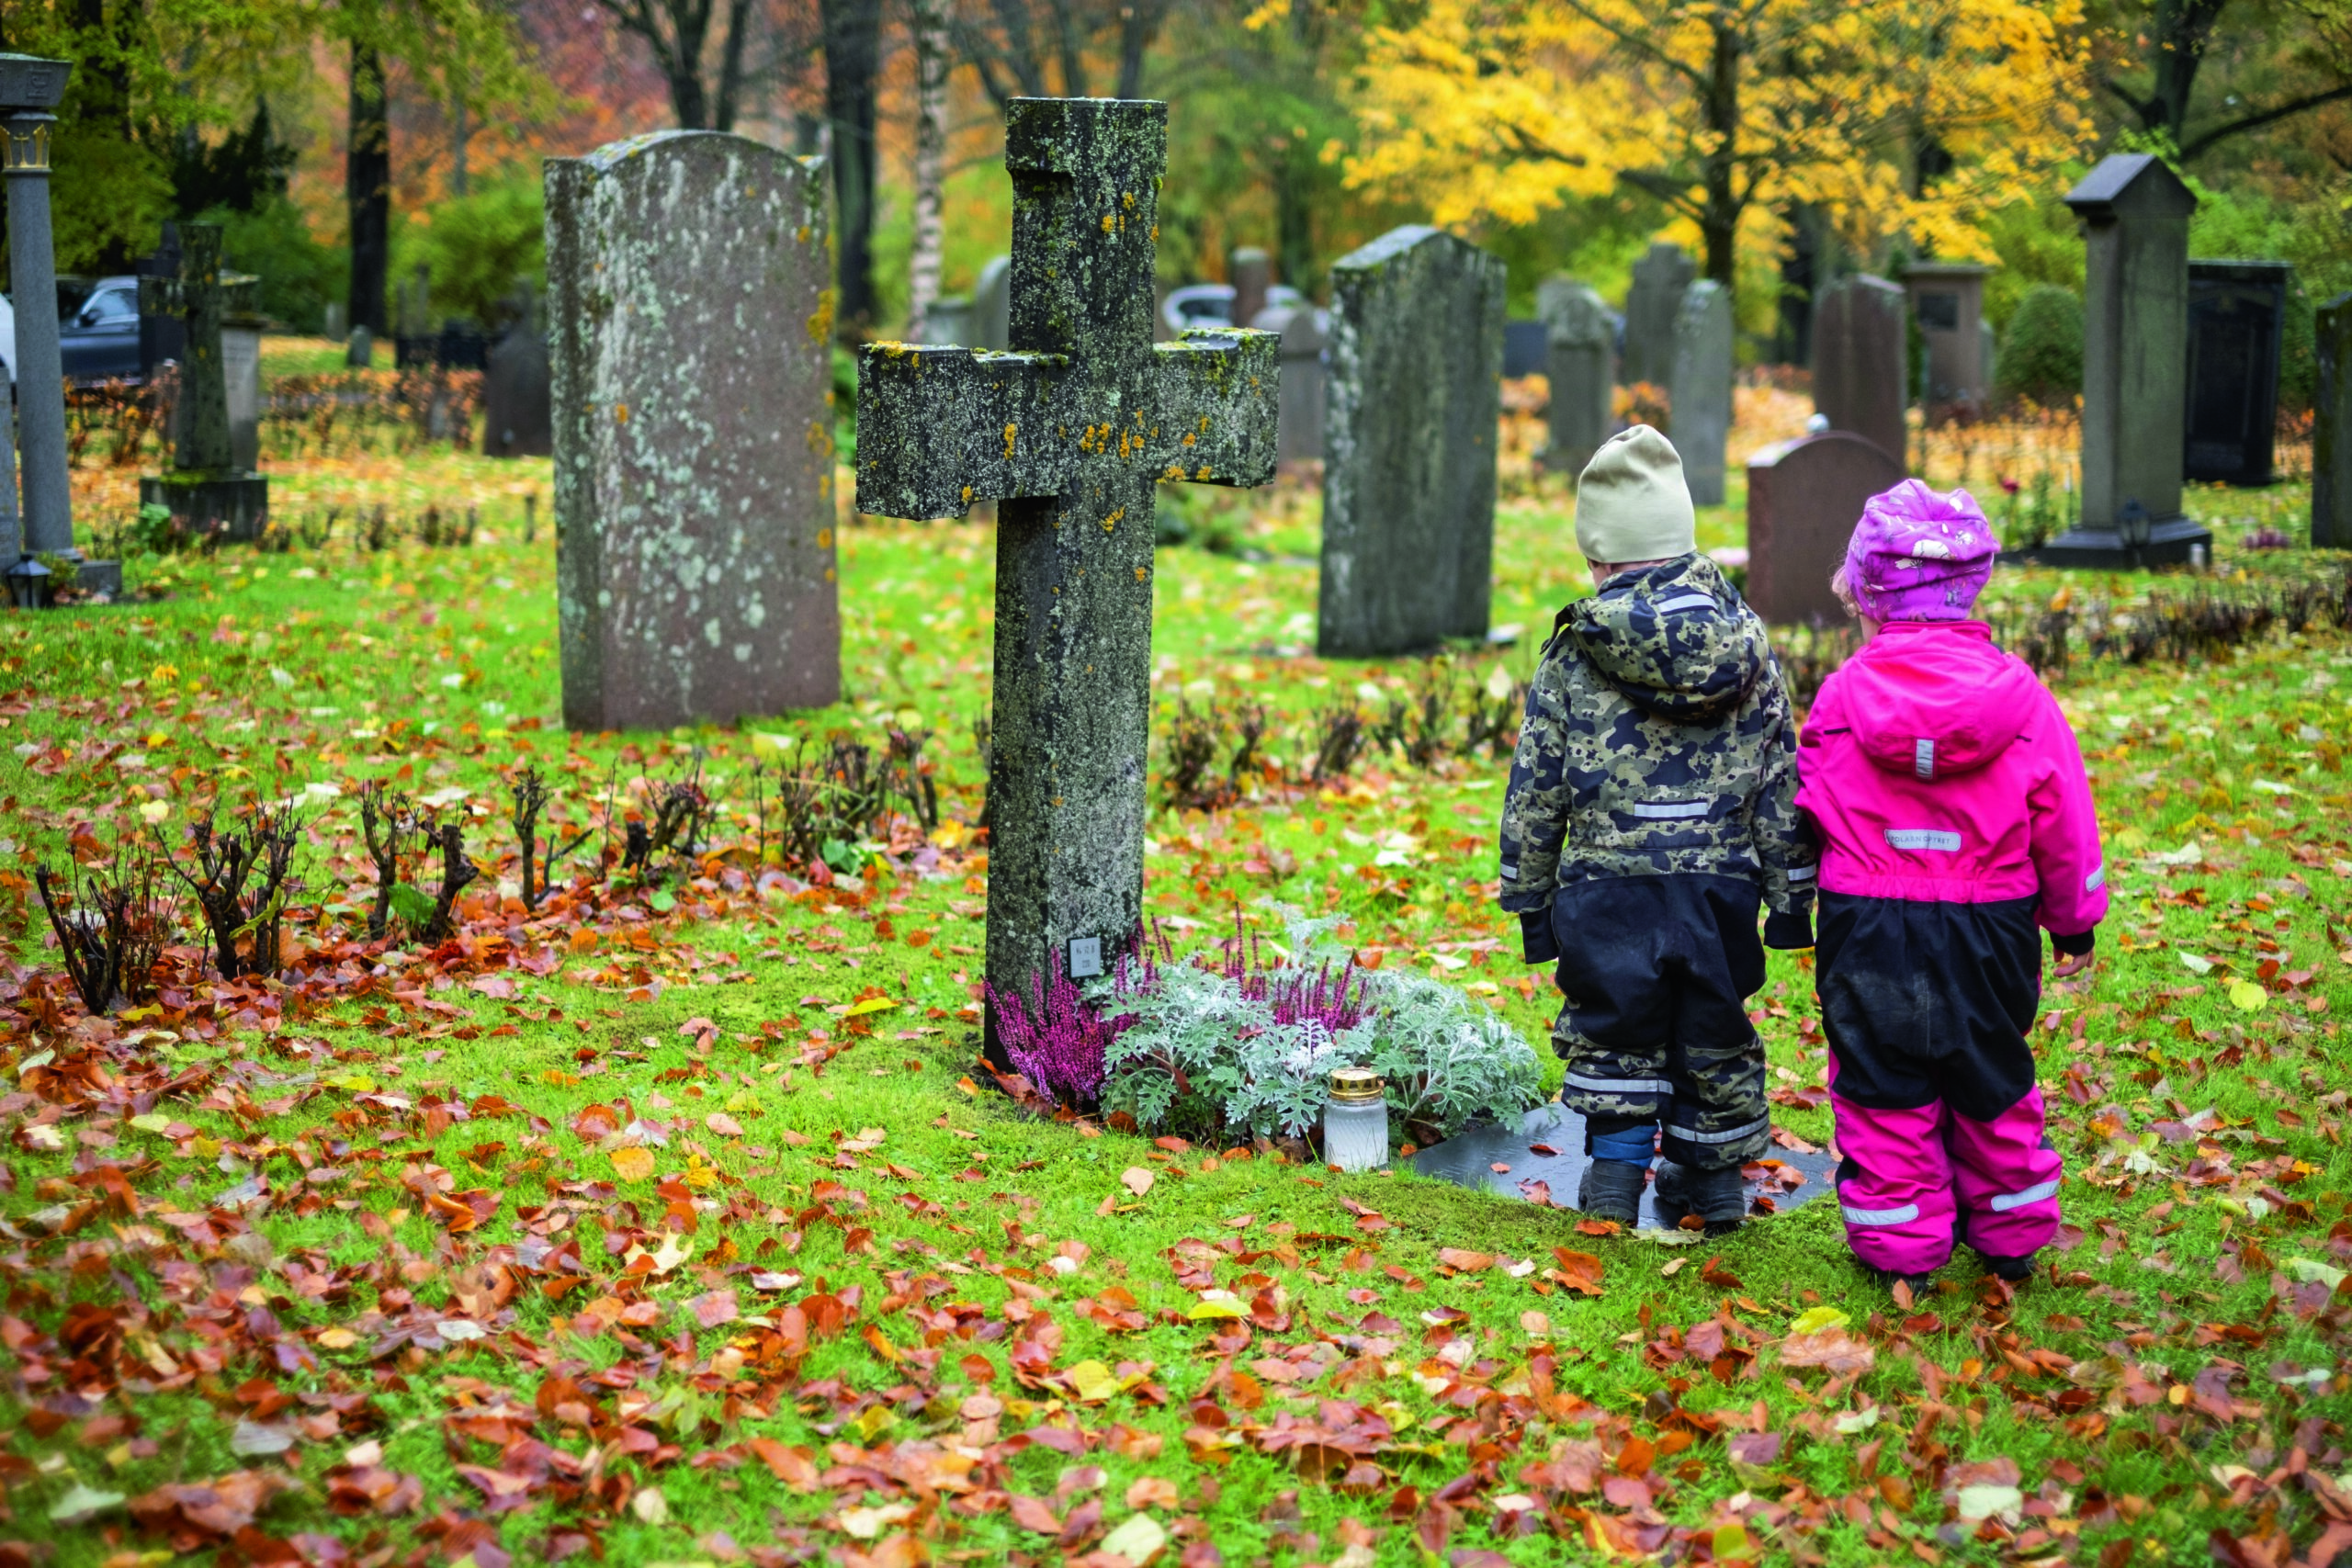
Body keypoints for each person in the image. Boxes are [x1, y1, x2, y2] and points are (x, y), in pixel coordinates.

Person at [1499, 425, 1817, 1232]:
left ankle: (1612, 1181)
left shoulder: (1577, 650)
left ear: (1601, 557)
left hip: (1607, 886)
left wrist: (1530, 902)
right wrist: (1790, 898)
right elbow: (1780, 772)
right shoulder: (1746, 644)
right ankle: (1710, 1185)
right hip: (1718, 884)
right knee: (1711, 1026)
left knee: (1616, 1028)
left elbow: (1537, 785)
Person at [1796, 479, 2106, 1289]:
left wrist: (1797, 895)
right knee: (1990, 1070)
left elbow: (1809, 799)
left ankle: (1901, 1246)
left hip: (1870, 923)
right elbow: (2064, 813)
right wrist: (2074, 918)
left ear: (1869, 594)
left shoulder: (1842, 697)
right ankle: (2010, 1230)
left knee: (1881, 1082)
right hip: (1989, 922)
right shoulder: (2023, 700)